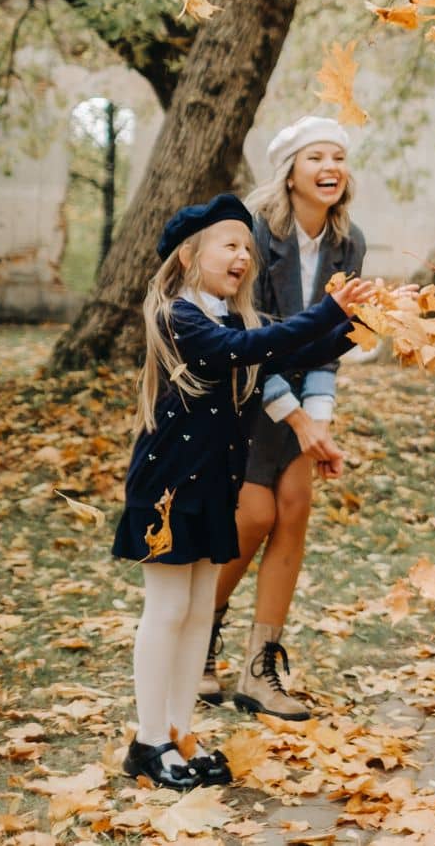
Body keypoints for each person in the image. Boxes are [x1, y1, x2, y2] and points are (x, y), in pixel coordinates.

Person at [111, 193, 375, 789]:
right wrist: (328, 309)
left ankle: (179, 734)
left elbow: (296, 347)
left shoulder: (231, 318)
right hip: (167, 493)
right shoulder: (179, 314)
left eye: (247, 249)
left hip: (211, 489)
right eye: (230, 245)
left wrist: (359, 323)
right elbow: (246, 351)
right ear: (189, 255)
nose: (242, 257)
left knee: (199, 610)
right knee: (169, 608)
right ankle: (148, 741)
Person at [199, 116, 367, 721]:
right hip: (238, 388)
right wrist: (300, 423)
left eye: (339, 158)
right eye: (316, 157)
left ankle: (258, 670)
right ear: (290, 171)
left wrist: (317, 418)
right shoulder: (252, 235)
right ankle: (196, 642)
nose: (330, 168)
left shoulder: (350, 244)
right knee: (255, 514)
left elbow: (331, 340)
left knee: (294, 507)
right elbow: (247, 338)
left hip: (297, 397)